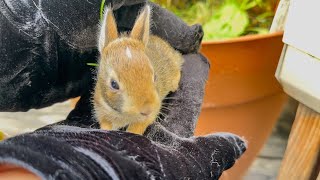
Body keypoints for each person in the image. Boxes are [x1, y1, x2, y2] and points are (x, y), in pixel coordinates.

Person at [0, 0, 246, 179]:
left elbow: (147, 105)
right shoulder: (102, 84)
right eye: (115, 85)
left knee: (173, 73)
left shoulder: (149, 88)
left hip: (161, 62)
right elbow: (105, 115)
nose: (146, 106)